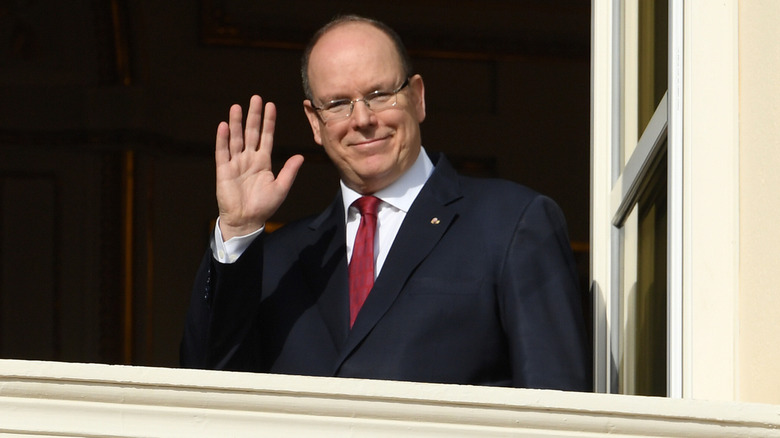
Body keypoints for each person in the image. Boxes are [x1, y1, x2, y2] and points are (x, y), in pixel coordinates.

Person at [180, 15, 591, 391]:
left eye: (379, 94)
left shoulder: (511, 223)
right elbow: (205, 390)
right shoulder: (279, 257)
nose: (362, 119)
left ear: (417, 97)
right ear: (314, 123)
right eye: (339, 104)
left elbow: (557, 404)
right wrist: (236, 230)